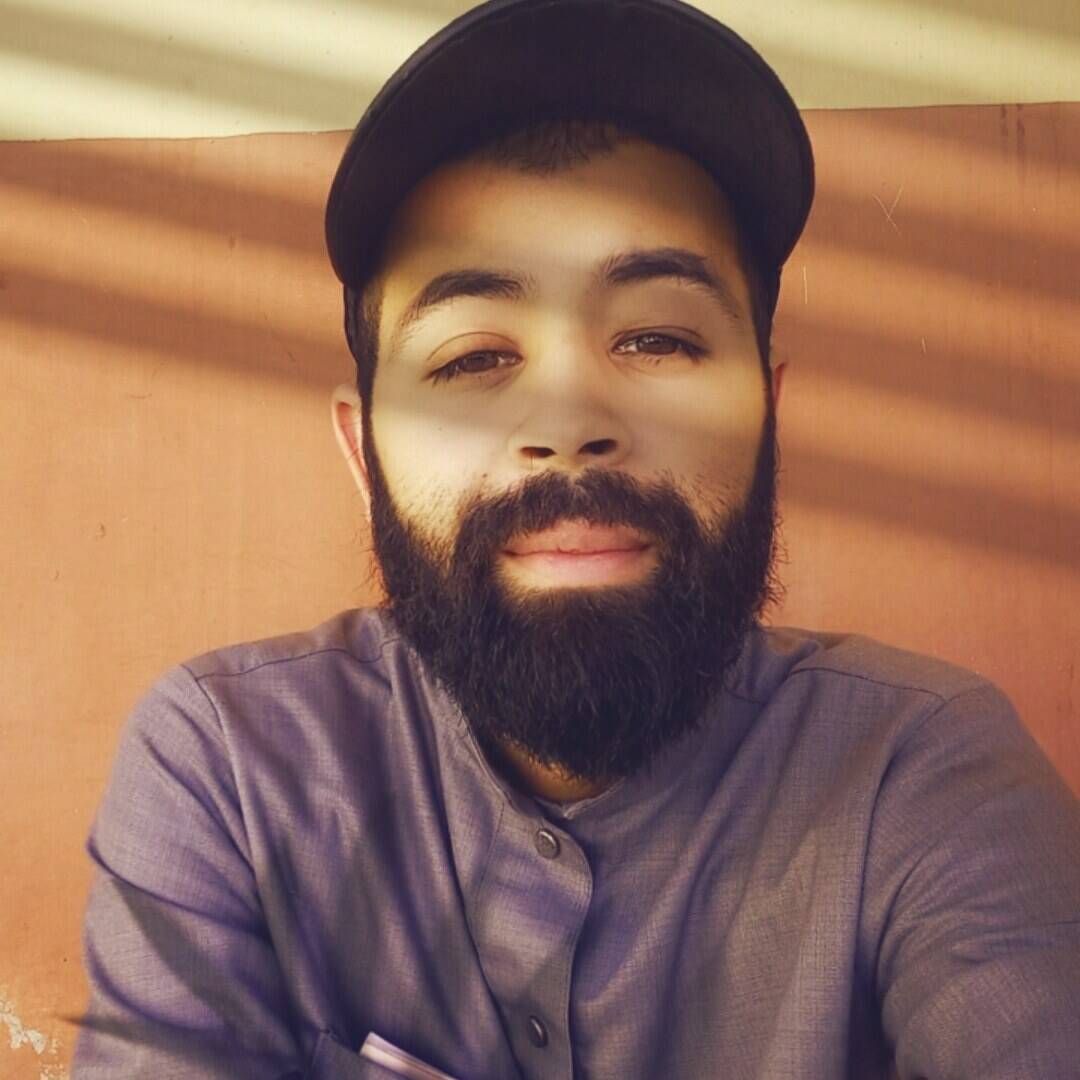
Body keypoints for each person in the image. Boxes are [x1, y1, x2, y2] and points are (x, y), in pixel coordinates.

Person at [73, 0, 1080, 1077]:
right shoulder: (227, 765)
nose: (568, 422)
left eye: (658, 338)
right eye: (472, 358)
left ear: (769, 417)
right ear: (365, 455)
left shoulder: (924, 767)